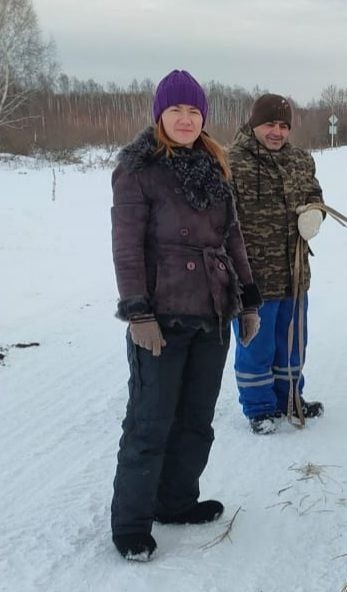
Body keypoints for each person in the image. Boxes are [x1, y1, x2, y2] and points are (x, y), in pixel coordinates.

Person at [110, 70, 261, 561]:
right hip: (162, 315)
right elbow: (127, 249)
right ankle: (131, 523)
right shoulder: (138, 169)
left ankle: (175, 502)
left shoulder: (215, 168)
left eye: (194, 111)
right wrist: (138, 313)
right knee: (150, 422)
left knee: (196, 419)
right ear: (159, 114)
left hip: (212, 313)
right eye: (176, 110)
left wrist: (250, 300)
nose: (185, 119)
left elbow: (232, 237)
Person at [227, 93, 325, 434]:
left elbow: (314, 194)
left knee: (293, 342)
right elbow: (221, 220)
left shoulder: (300, 160)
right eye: (270, 124)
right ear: (255, 124)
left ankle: (289, 397)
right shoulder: (231, 163)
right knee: (256, 343)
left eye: (284, 126)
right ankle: (259, 407)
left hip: (295, 273)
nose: (277, 132)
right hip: (252, 278)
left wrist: (315, 213)